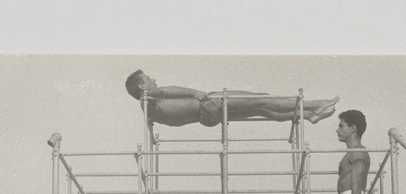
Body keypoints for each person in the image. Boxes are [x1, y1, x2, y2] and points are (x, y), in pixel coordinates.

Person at [125, 70, 339, 127]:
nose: (153, 79)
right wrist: (195, 93)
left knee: (261, 110)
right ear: (142, 85)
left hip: (204, 117)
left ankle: (308, 114)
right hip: (209, 104)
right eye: (148, 79)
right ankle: (315, 104)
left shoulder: (149, 109)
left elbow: (175, 117)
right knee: (261, 100)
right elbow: (168, 89)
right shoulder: (149, 98)